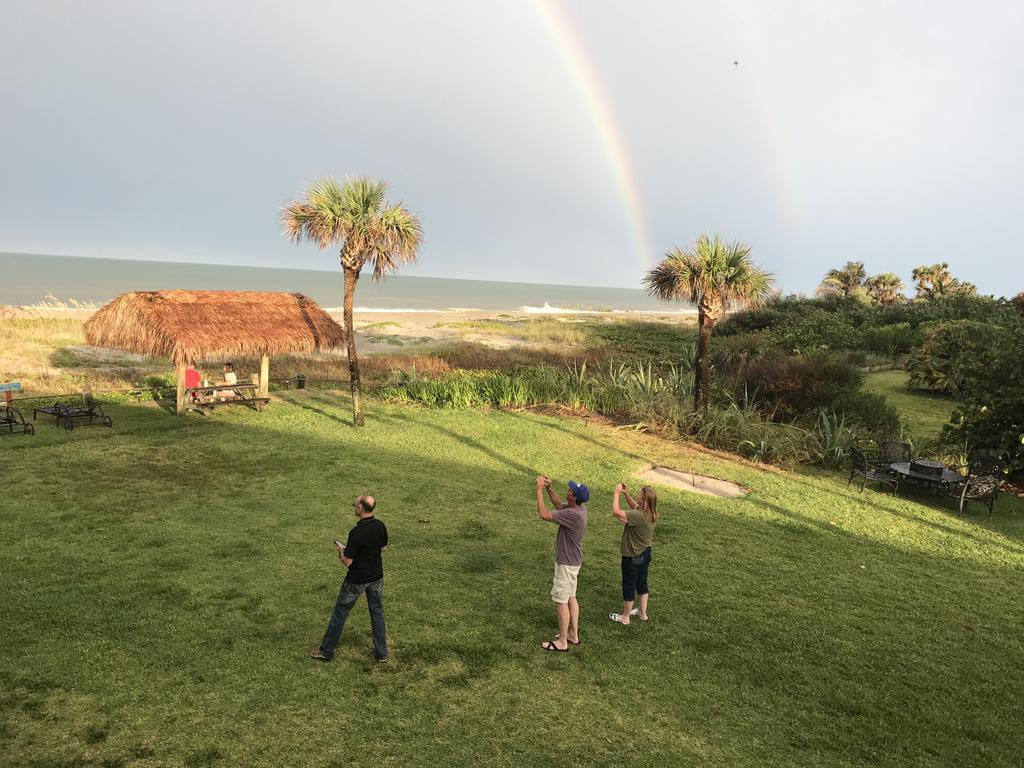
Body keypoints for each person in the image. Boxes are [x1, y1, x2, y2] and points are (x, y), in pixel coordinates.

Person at [310, 494, 389, 663]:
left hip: (356, 580)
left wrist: (341, 552)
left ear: (360, 508)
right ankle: (381, 653)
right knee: (377, 613)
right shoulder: (380, 526)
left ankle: (326, 650)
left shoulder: (356, 533)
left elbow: (348, 562)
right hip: (376, 577)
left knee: (340, 613)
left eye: (355, 504)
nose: (354, 505)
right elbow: (383, 547)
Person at [535, 474, 588, 652]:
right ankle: (573, 634)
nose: (568, 490)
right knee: (571, 597)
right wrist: (550, 489)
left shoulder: (573, 515)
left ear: (573, 497)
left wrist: (540, 489)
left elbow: (543, 514)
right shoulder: (579, 509)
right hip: (574, 562)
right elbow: (559, 505)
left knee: (561, 601)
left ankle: (563, 642)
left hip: (565, 564)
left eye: (570, 490)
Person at [609, 483, 657, 625]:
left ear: (644, 500)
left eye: (639, 495)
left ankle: (625, 617)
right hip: (646, 553)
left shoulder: (639, 516)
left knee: (629, 584)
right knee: (642, 582)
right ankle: (642, 613)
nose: (637, 497)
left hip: (632, 556)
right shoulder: (651, 514)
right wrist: (626, 494)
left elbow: (617, 511)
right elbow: (634, 506)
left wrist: (617, 493)